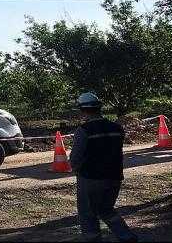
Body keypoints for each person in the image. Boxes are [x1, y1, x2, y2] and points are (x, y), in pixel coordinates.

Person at [70, 92, 138, 243]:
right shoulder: (116, 128)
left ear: (82, 110)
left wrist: (77, 170)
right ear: (99, 107)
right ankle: (127, 237)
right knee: (106, 209)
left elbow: (75, 158)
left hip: (91, 178)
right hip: (114, 176)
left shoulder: (84, 130)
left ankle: (93, 239)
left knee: (88, 214)